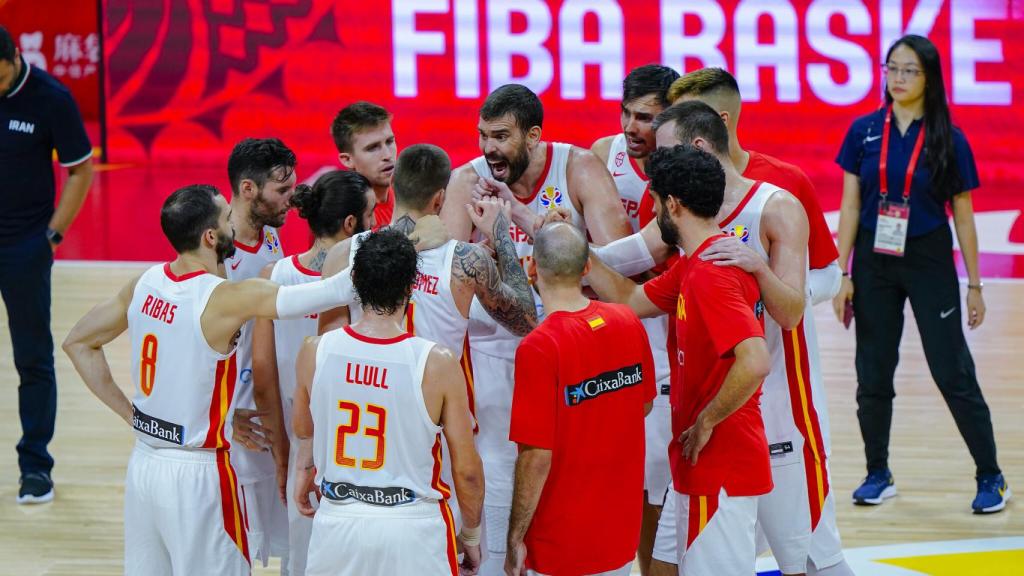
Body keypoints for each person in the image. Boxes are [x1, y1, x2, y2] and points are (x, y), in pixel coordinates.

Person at [61, 184, 361, 575]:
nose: (233, 224)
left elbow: (78, 343)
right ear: (210, 236)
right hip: (198, 476)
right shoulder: (222, 298)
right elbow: (328, 292)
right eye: (226, 219)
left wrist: (132, 415)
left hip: (145, 466)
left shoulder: (145, 283)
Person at [669, 69, 853, 576]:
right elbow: (641, 270)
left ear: (713, 124)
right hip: (714, 403)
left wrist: (760, 282)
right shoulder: (674, 191)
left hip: (781, 393)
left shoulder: (783, 187)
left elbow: (829, 277)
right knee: (691, 554)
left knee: (811, 553)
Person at [443, 83, 632, 575]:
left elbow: (618, 270)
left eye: (501, 136)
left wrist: (537, 228)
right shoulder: (467, 181)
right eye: (483, 136)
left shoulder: (579, 168)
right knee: (499, 498)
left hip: (570, 356)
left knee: (564, 501)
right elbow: (439, 283)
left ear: (534, 135)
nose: (489, 149)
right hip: (491, 365)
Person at [833, 34, 1008, 514]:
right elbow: (849, 204)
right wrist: (842, 271)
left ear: (929, 77)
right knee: (872, 372)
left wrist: (974, 285)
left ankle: (991, 476)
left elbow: (965, 216)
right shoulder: (864, 131)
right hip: (873, 260)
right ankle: (877, 472)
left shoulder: (950, 138)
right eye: (892, 69)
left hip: (929, 258)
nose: (898, 78)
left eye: (909, 70)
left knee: (951, 370)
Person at [586, 144, 772, 576]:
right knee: (661, 570)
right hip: (693, 466)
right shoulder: (695, 262)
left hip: (720, 465)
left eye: (654, 205)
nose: (652, 216)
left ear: (672, 204)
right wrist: (577, 253)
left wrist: (707, 420)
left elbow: (756, 359)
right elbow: (631, 299)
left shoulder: (712, 274)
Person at [291, 229, 485, 576]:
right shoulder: (437, 362)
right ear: (411, 286)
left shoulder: (313, 351)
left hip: (339, 520)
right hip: (411, 527)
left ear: (354, 280)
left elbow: (305, 432)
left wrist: (303, 477)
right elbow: (467, 471)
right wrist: (470, 534)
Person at [506, 222, 655, 576]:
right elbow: (644, 404)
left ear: (531, 269)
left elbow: (535, 458)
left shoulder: (539, 347)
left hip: (561, 546)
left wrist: (514, 537)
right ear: (587, 267)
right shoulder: (627, 321)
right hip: (619, 538)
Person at [251, 169, 376, 576]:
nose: (377, 224)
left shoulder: (273, 276)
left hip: (295, 434)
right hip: (354, 446)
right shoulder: (366, 282)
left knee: (301, 560)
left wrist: (281, 450)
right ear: (351, 224)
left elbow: (264, 376)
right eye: (372, 215)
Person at [590, 63, 680, 576]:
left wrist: (580, 258)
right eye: (626, 112)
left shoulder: (684, 167)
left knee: (667, 476)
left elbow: (639, 250)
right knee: (636, 476)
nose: (630, 126)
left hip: (670, 324)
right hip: (622, 326)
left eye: (644, 117)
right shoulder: (605, 155)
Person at [0, 25, 94, 504]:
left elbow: (80, 168)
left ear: (14, 57)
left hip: (23, 248)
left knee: (32, 359)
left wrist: (52, 236)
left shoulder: (50, 98)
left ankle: (35, 467)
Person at [222, 137, 297, 571]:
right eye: (281, 191)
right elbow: (192, 346)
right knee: (237, 555)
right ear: (248, 189)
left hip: (270, 414)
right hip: (235, 426)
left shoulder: (271, 239)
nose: (291, 201)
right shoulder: (212, 252)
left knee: (281, 543)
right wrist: (225, 415)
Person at [331, 101, 398, 228]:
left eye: (389, 142)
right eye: (373, 148)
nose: (387, 155)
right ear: (347, 160)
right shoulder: (339, 216)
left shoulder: (412, 198)